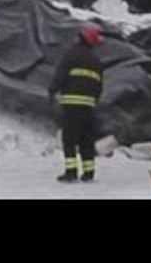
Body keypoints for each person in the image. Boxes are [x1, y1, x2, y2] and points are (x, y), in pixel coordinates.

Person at [48, 23, 104, 183]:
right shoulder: (96, 61)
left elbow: (60, 75)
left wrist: (52, 91)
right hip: (88, 107)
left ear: (81, 39)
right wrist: (94, 102)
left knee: (70, 139)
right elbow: (99, 86)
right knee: (87, 139)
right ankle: (89, 173)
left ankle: (71, 172)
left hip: (71, 104)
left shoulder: (71, 56)